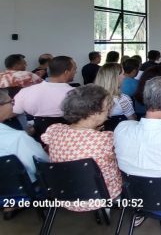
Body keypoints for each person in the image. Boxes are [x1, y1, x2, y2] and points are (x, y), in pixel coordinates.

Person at [41, 84, 122, 212]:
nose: (109, 111)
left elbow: (48, 139)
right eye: (107, 107)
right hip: (100, 196)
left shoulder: (54, 130)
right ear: (94, 113)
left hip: (63, 194)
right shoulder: (105, 139)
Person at [0, 89, 48, 183]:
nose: (13, 105)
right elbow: (44, 166)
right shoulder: (17, 138)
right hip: (24, 191)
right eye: (11, 102)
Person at [13, 56, 76, 120]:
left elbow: (14, 111)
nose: (75, 72)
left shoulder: (25, 91)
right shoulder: (76, 94)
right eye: (74, 69)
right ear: (66, 72)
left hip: (36, 127)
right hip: (69, 127)